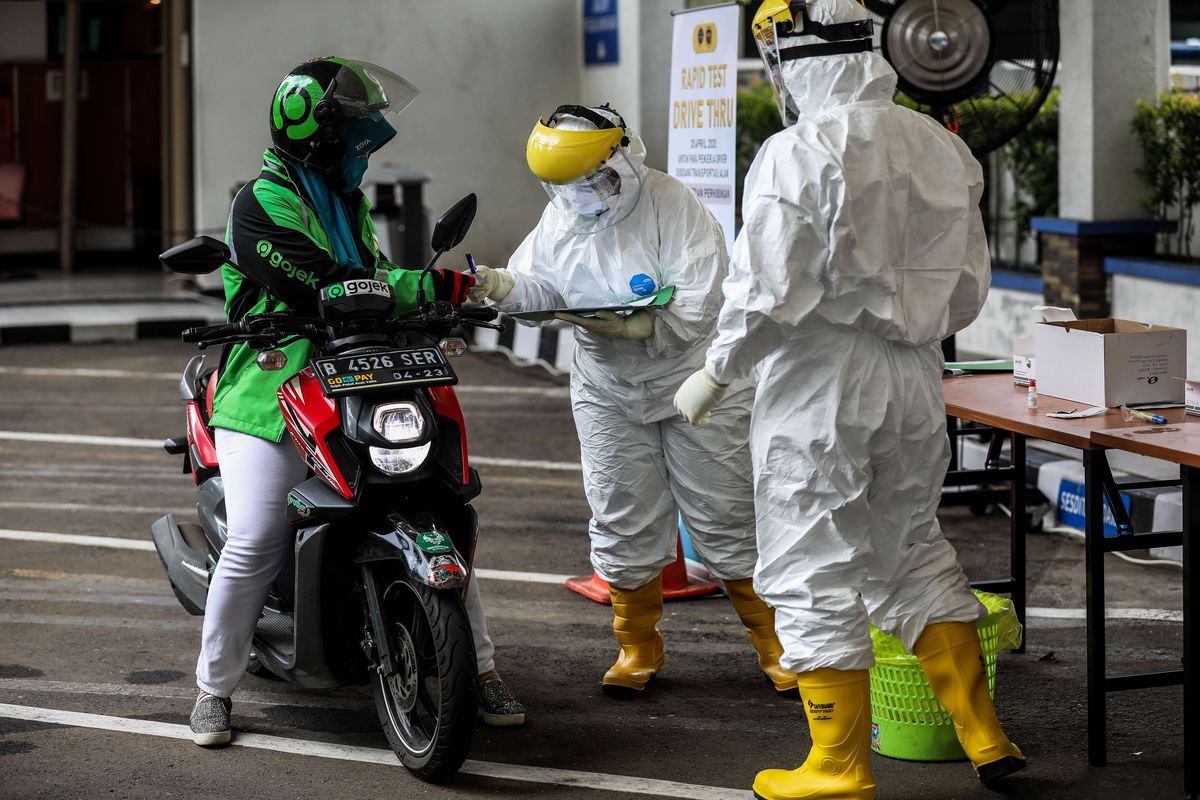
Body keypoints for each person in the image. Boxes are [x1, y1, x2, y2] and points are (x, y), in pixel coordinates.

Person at [672, 1, 1024, 797]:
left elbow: (765, 290)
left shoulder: (797, 151)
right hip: (913, 376)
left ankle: (837, 766)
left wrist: (716, 371)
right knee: (911, 549)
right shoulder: (942, 147)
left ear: (800, 61)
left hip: (819, 382)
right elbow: (969, 286)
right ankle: (983, 733)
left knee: (808, 562)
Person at [189, 57, 524, 747]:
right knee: (255, 535)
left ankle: (481, 668)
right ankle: (212, 690)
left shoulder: (345, 203)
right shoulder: (261, 203)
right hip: (270, 391)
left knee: (436, 503)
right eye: (353, 136)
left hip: (355, 379)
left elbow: (370, 279)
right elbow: (331, 285)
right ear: (316, 138)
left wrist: (438, 305)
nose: (364, 150)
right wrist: (438, 290)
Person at [468, 104, 796, 698]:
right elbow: (543, 282)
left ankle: (775, 646)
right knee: (621, 512)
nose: (583, 194)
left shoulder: (674, 206)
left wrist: (632, 327)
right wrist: (501, 286)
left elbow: (700, 303)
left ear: (621, 156)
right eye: (565, 185)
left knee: (727, 514)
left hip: (692, 382)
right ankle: (637, 646)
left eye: (591, 178)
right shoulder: (563, 214)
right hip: (608, 389)